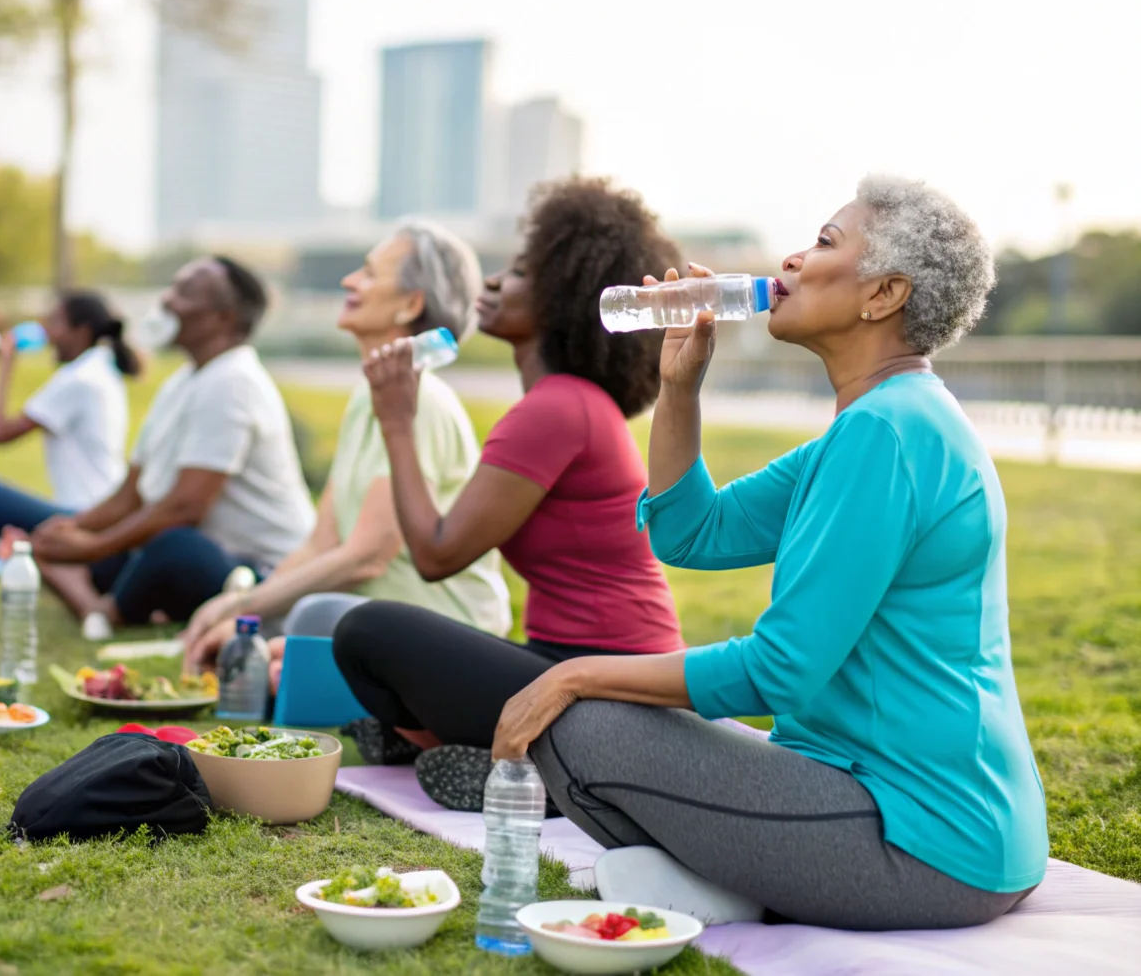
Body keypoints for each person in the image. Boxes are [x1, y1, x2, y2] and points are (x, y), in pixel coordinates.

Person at [487, 175, 1048, 932]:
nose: (790, 259)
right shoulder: (876, 426)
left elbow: (781, 669)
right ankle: (729, 877)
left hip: (924, 843)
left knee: (580, 724)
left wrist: (576, 672)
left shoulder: (889, 434)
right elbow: (695, 532)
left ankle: (727, 878)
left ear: (882, 295)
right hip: (912, 816)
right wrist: (678, 385)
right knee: (598, 712)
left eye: (824, 241)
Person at [331, 177, 687, 810]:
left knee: (367, 632)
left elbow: (438, 555)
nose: (491, 283)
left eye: (520, 273)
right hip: (562, 664)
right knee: (381, 640)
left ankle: (555, 779)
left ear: (566, 297)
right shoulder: (562, 405)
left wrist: (397, 420)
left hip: (610, 689)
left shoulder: (557, 409)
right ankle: (494, 753)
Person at [179, 222, 511, 687]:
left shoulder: (421, 401)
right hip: (368, 621)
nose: (349, 282)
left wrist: (239, 609)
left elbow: (366, 557)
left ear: (411, 303)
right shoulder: (366, 399)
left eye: (370, 274)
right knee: (270, 636)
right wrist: (242, 610)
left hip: (435, 631)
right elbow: (323, 543)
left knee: (303, 622)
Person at [29, 257, 316, 639]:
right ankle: (100, 603)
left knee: (172, 545)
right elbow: (131, 493)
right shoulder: (183, 380)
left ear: (223, 318)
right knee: (90, 545)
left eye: (184, 292)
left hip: (259, 573)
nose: (167, 299)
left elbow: (185, 508)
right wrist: (71, 529)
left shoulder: (233, 382)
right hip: (203, 549)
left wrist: (91, 548)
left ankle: (105, 610)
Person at [0, 291, 136, 534]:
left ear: (82, 331)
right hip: (103, 506)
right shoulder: (102, 368)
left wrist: (5, 366)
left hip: (84, 513)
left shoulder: (78, 379)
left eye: (56, 323)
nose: (48, 333)